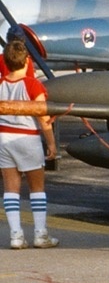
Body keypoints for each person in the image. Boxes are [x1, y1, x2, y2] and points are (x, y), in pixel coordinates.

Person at [0, 40, 57, 249]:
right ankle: (40, 234)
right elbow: (43, 117)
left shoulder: (0, 84)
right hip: (27, 139)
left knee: (11, 189)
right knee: (37, 188)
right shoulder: (33, 85)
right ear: (26, 61)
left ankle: (16, 235)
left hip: (4, 139)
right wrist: (51, 143)